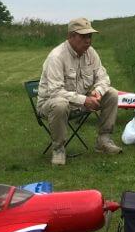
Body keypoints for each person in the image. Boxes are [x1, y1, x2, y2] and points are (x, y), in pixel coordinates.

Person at [37, 17, 122, 165]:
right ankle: (58, 149)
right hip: (49, 104)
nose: (88, 40)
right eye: (83, 36)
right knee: (60, 104)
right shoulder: (56, 57)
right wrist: (85, 100)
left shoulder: (91, 53)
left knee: (112, 94)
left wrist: (97, 92)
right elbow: (55, 92)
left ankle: (103, 141)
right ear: (71, 36)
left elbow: (103, 78)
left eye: (90, 36)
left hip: (79, 101)